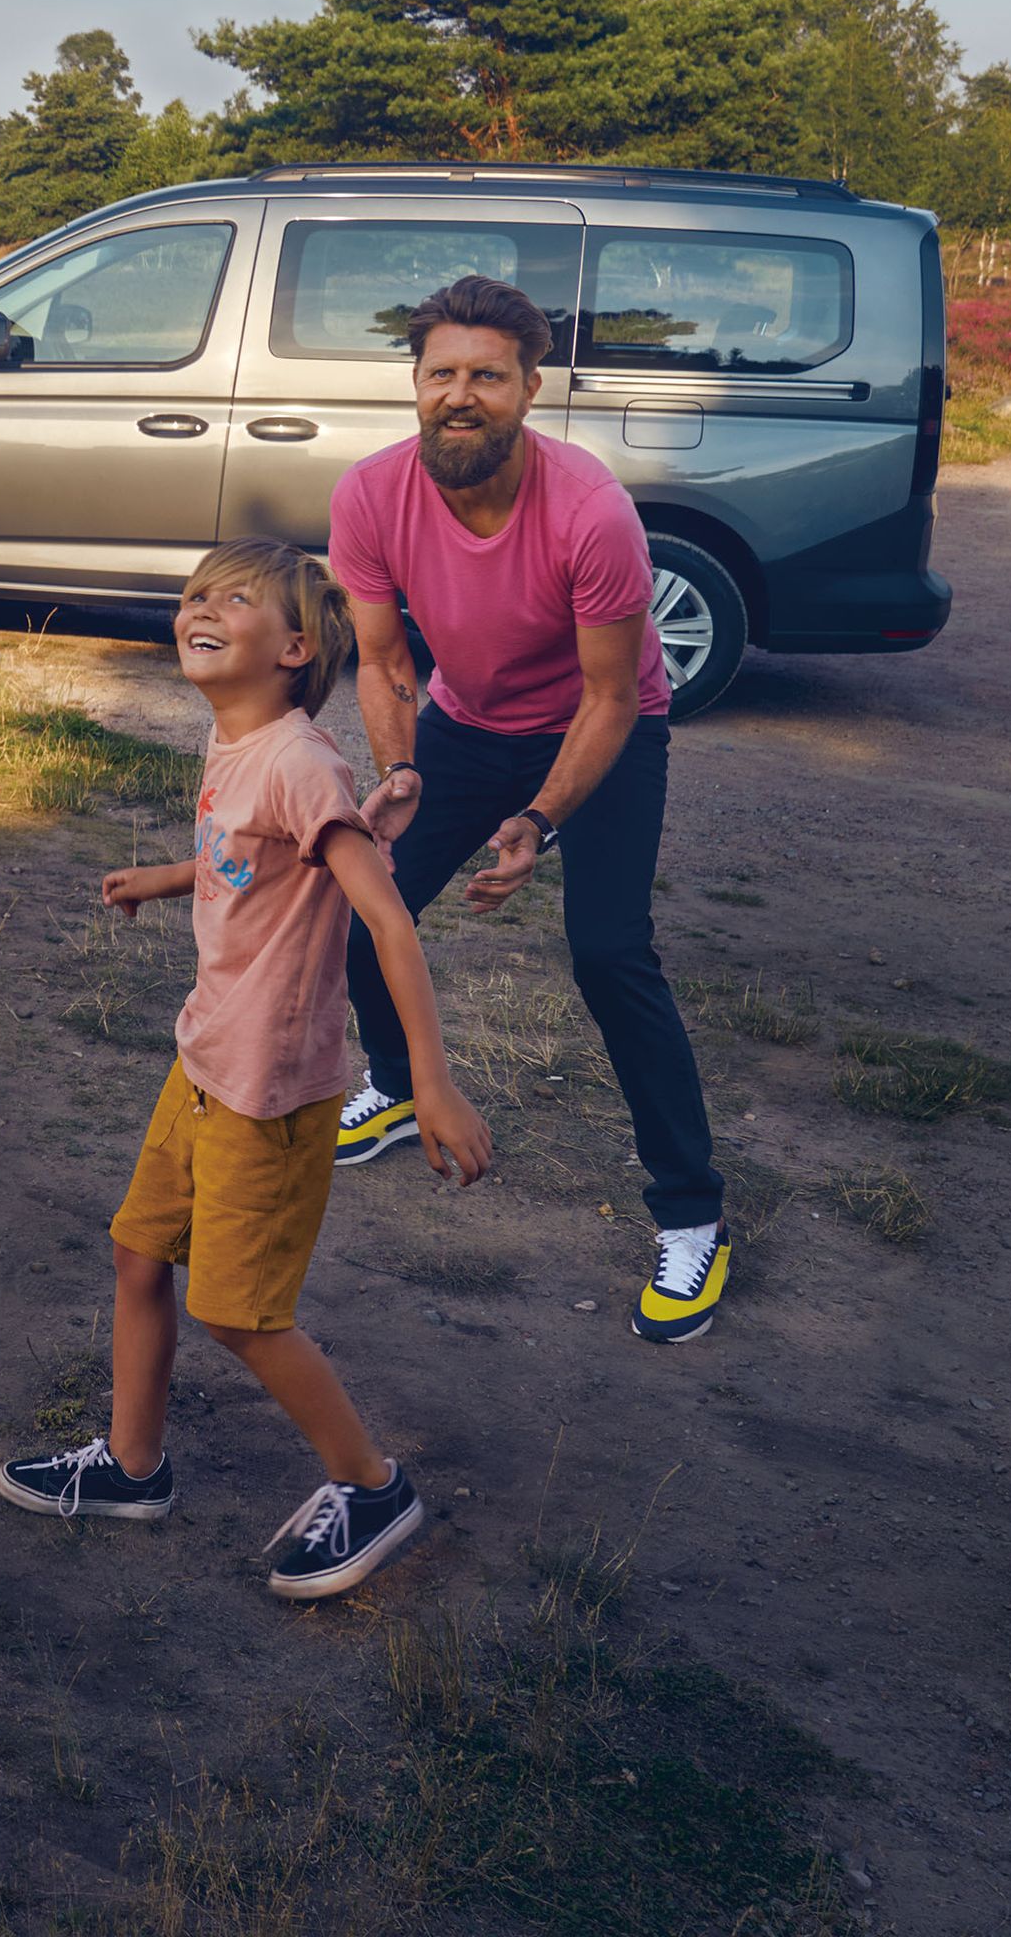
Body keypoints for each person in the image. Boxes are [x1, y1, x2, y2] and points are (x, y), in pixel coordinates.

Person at [0, 538, 490, 1599]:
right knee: (139, 1253)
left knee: (240, 1311)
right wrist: (170, 878)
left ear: (296, 646)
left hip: (268, 1090)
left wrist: (429, 1082)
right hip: (205, 1057)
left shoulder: (303, 762)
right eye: (192, 595)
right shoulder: (238, 741)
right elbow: (248, 861)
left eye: (232, 598)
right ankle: (133, 1469)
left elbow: (386, 920)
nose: (197, 607)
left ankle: (372, 1485)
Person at [324, 274, 729, 1342]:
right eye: (443, 373)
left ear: (530, 389)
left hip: (605, 727)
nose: (463, 395)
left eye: (488, 377)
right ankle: (399, 1083)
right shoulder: (369, 495)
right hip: (466, 723)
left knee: (607, 949)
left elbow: (609, 694)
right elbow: (380, 660)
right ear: (414, 384)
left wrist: (541, 820)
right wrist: (403, 767)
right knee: (364, 895)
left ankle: (693, 1213)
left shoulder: (591, 511)